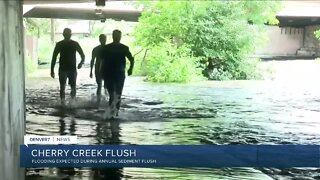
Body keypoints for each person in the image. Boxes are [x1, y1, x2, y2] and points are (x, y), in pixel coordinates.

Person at [100, 30, 134, 119]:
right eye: (117, 36)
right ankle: (113, 114)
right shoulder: (110, 48)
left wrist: (131, 68)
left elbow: (131, 59)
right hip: (111, 74)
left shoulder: (122, 48)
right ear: (114, 36)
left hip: (117, 74)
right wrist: (101, 72)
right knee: (114, 95)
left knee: (117, 95)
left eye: (118, 36)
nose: (118, 38)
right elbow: (102, 61)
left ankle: (114, 114)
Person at [50, 28, 85, 105]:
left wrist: (81, 63)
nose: (68, 35)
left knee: (65, 87)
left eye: (68, 34)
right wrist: (81, 63)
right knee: (71, 87)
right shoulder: (73, 44)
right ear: (68, 35)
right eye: (68, 34)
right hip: (68, 68)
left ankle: (64, 104)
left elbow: (54, 57)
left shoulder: (61, 44)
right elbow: (82, 56)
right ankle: (70, 104)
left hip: (66, 68)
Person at [90, 34, 107, 102]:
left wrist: (91, 71)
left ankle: (99, 101)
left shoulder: (96, 49)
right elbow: (92, 60)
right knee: (104, 86)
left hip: (101, 68)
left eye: (104, 39)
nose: (103, 40)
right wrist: (91, 71)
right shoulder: (108, 48)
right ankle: (105, 100)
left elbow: (92, 60)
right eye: (103, 39)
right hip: (105, 68)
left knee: (100, 85)